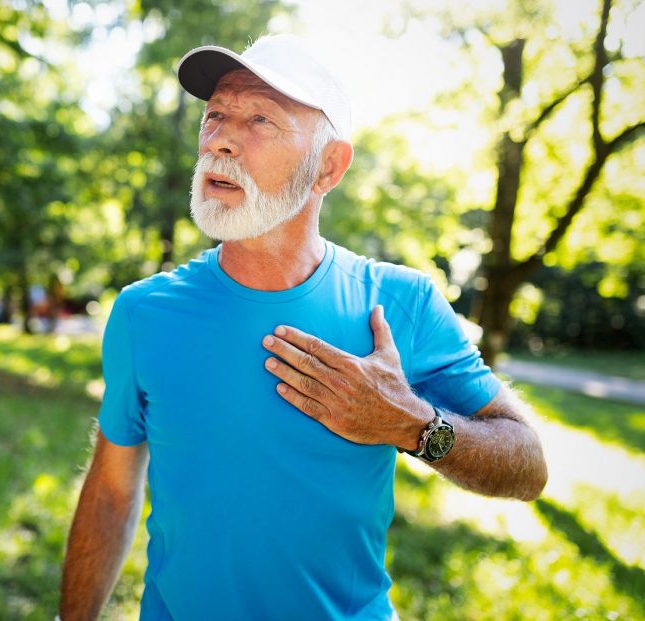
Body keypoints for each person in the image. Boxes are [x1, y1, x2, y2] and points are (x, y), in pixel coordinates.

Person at [59, 34, 548, 621]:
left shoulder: (400, 303)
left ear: (328, 167)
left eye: (260, 119)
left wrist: (413, 424)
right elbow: (112, 491)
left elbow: (527, 465)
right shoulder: (143, 312)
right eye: (215, 115)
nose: (221, 140)